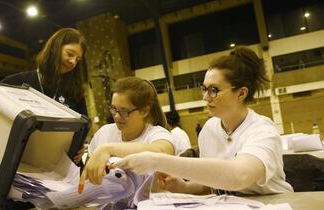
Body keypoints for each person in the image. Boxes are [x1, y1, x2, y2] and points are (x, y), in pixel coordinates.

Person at [115, 46, 294, 195]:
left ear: (241, 93)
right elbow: (213, 183)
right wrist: (184, 186)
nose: (206, 97)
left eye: (214, 90)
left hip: (274, 209)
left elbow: (239, 176)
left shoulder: (262, 130)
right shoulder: (210, 128)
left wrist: (157, 160)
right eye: (204, 89)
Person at [0, 28, 88, 161]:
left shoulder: (75, 92)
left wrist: (79, 146)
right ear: (54, 49)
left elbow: (82, 126)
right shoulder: (16, 82)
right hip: (20, 164)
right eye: (70, 54)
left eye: (78, 59)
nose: (72, 62)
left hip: (61, 165)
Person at [78, 76, 176, 193]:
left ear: (145, 111)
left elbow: (161, 151)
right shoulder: (104, 133)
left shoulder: (157, 133)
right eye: (114, 109)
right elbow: (89, 174)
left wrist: (107, 149)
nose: (117, 116)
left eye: (125, 111)